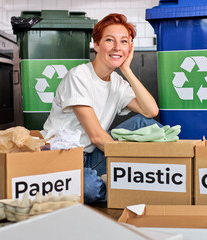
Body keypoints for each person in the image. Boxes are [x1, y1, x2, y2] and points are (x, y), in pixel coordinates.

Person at [41, 13, 162, 203]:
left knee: (147, 124)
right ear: (96, 45)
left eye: (123, 42)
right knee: (87, 187)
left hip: (92, 156)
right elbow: (96, 136)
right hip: (62, 157)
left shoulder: (118, 82)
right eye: (109, 40)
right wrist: (130, 164)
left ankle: (123, 183)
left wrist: (127, 70)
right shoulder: (79, 76)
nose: (117, 47)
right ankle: (131, 187)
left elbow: (150, 111)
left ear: (130, 48)